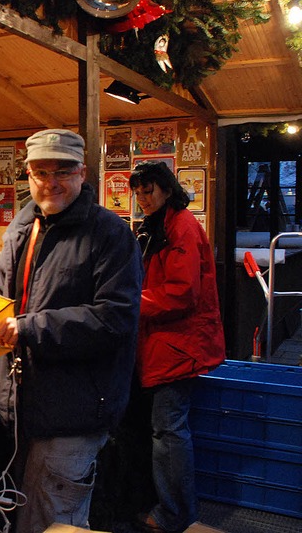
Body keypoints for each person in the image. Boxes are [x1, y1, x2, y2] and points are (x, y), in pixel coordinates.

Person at [0, 128, 144, 533]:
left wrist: (30, 328)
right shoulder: (23, 226)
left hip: (74, 413)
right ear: (27, 174)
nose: (50, 182)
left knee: (54, 523)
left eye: (63, 171)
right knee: (24, 518)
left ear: (83, 173)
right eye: (40, 172)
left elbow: (115, 318)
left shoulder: (110, 234)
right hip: (22, 409)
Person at [127, 161, 226, 533]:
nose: (142, 199)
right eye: (138, 192)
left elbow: (181, 293)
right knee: (166, 429)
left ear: (166, 189)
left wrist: (130, 301)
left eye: (148, 191)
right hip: (164, 343)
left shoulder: (181, 226)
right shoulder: (160, 225)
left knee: (168, 431)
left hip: (178, 345)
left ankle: (175, 514)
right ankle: (172, 508)